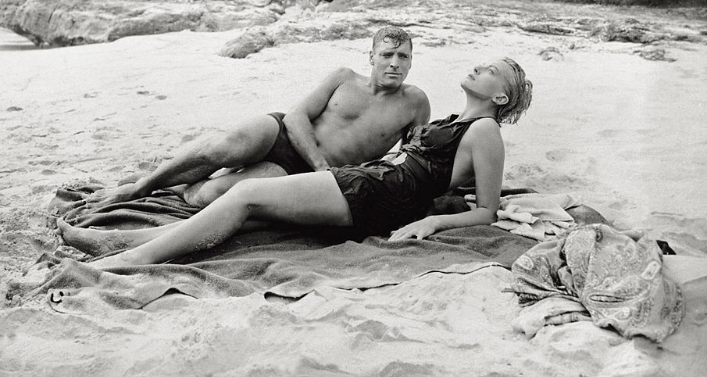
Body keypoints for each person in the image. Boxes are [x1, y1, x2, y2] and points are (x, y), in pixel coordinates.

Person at [57, 57, 533, 268]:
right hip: (370, 184)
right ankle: (120, 241)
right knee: (249, 213)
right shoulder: (455, 120)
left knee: (244, 196)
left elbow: (487, 211)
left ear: (501, 95)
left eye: (491, 70)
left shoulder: (485, 130)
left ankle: (130, 260)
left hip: (379, 196)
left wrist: (430, 223)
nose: (479, 68)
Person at [85, 26, 431, 209]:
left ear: (411, 61)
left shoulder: (415, 103)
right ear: (370, 56)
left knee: (211, 195)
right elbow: (296, 117)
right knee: (224, 148)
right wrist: (323, 166)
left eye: (403, 56)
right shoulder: (344, 77)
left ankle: (174, 184)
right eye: (387, 54)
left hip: (299, 172)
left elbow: (415, 160)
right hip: (283, 135)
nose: (395, 63)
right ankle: (139, 186)